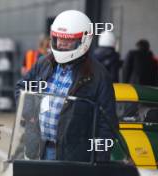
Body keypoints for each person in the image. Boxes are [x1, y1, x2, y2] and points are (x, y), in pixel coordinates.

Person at [15, 10, 118, 161]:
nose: (61, 43)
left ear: (84, 40)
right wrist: (29, 111)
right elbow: (21, 87)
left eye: (68, 40)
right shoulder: (44, 63)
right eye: (58, 38)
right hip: (37, 149)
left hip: (72, 158)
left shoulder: (99, 76)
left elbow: (107, 125)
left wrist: (99, 163)